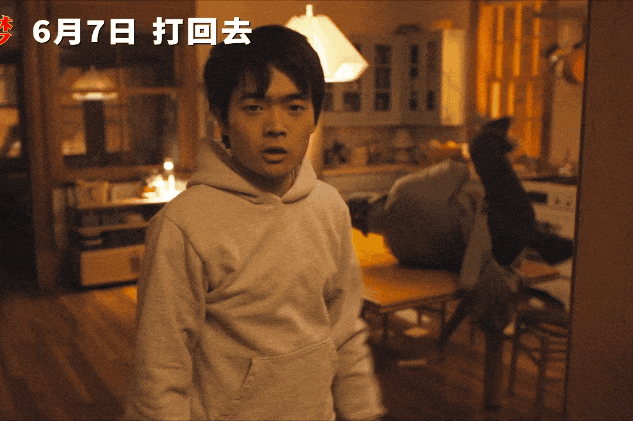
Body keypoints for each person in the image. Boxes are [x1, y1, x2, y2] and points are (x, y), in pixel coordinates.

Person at [126, 25, 386, 421]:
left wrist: (363, 410)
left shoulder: (329, 207)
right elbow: (158, 372)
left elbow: (345, 329)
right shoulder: (182, 226)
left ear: (315, 116)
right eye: (254, 107)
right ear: (222, 117)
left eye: (294, 107)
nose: (276, 126)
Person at [347, 116, 574, 337]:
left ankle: (551, 245)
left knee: (521, 228)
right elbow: (458, 171)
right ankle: (552, 245)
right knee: (484, 151)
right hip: (496, 227)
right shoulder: (401, 190)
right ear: (373, 200)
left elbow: (447, 261)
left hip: (497, 258)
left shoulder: (399, 250)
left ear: (368, 230)